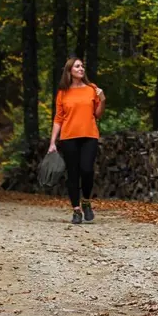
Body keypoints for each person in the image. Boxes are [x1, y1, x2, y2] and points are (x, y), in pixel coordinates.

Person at [48, 57, 105, 224]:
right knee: (72, 173)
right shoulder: (62, 93)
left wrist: (102, 100)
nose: (81, 68)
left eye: (82, 66)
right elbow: (58, 119)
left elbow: (98, 114)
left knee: (87, 170)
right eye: (77, 66)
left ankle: (86, 201)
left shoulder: (91, 89)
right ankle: (76, 210)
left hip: (89, 135)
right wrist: (52, 142)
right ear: (69, 71)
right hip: (69, 137)